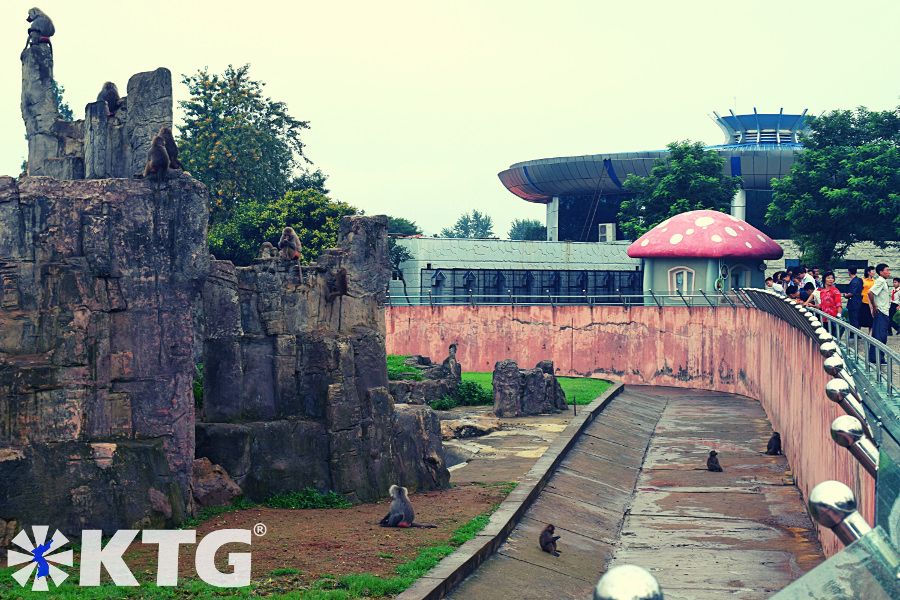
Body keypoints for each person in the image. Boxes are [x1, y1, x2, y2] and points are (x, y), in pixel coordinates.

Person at [868, 264, 891, 364]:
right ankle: (878, 358)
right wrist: (874, 306)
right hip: (881, 311)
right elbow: (870, 292)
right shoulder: (881, 281)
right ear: (881, 272)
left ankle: (874, 357)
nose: (889, 272)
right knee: (880, 336)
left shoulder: (883, 281)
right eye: (887, 270)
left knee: (878, 335)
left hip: (883, 311)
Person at [845, 267, 863, 333]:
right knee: (856, 319)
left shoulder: (854, 281)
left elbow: (852, 292)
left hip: (853, 303)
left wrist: (846, 295)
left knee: (853, 319)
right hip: (859, 302)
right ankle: (857, 333)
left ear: (849, 272)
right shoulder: (859, 280)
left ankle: (854, 334)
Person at [859, 266, 876, 333]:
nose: (874, 273)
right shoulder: (862, 280)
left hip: (871, 302)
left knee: (870, 319)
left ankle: (870, 334)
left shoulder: (874, 281)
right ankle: (858, 333)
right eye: (872, 271)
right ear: (868, 272)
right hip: (863, 301)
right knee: (860, 318)